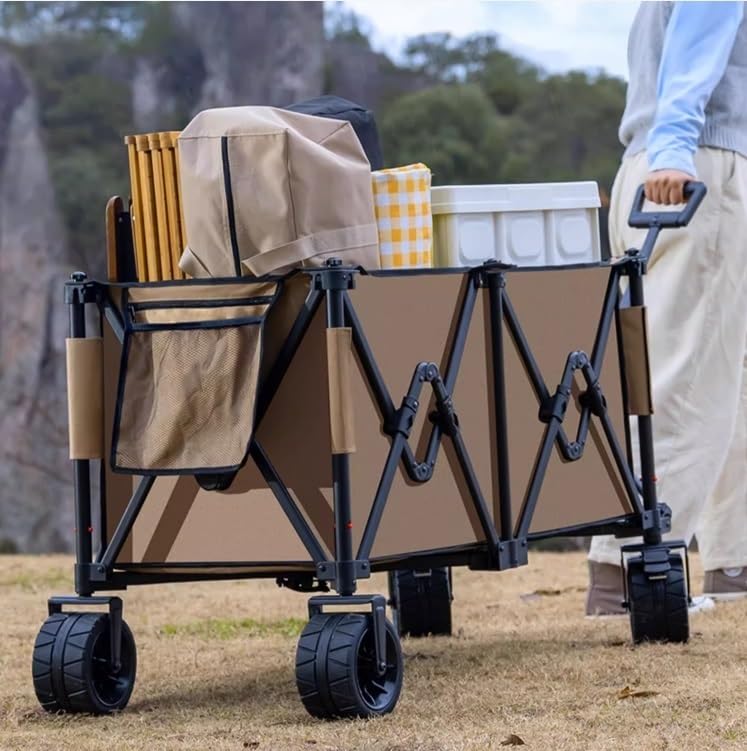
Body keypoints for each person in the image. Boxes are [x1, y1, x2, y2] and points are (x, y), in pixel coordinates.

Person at [586, 1, 747, 615]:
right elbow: (692, 56)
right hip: (689, 170)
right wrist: (674, 151)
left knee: (727, 374)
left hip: (668, 165)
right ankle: (631, 573)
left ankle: (734, 562)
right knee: (681, 381)